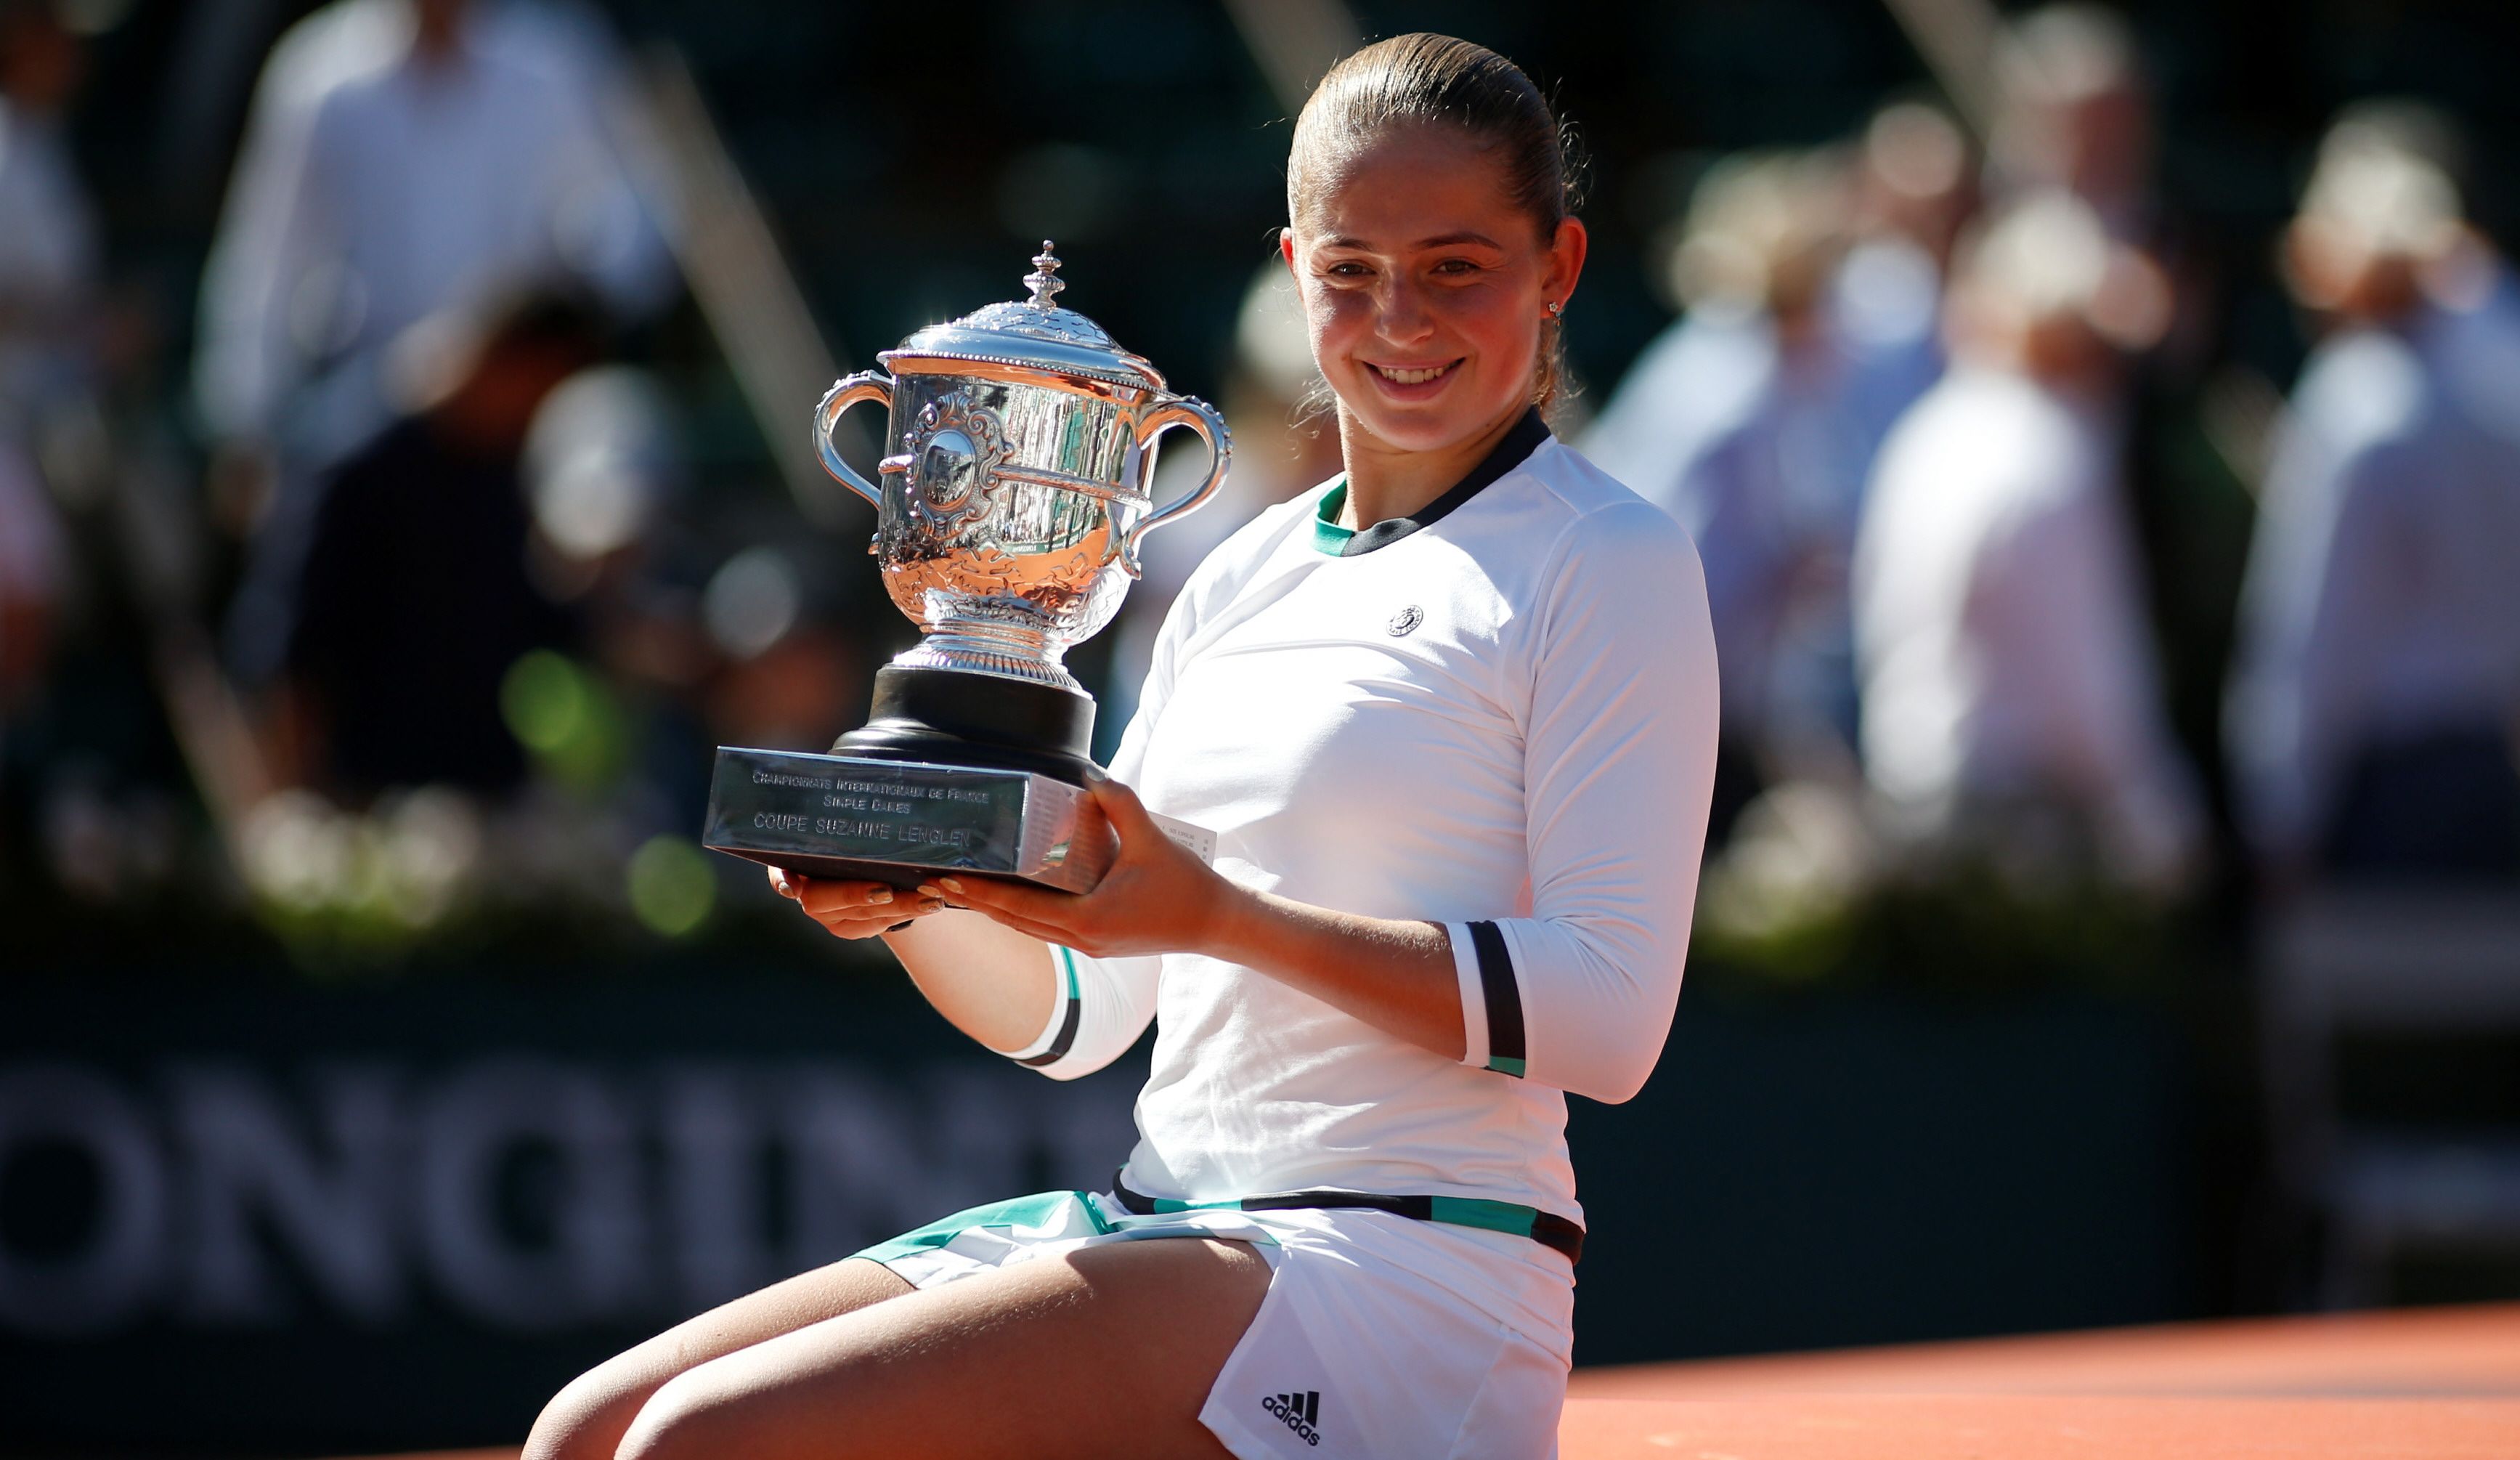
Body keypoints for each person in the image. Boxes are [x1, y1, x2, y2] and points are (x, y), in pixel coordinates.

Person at [527, 33, 1717, 1460]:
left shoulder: (1609, 556)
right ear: (1296, 267)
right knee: (586, 1433)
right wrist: (904, 895)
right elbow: (1082, 1010)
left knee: (700, 1444)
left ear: (1559, 267)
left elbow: (1608, 1018)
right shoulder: (1236, 573)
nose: (1398, 317)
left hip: (1407, 1266)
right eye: (1351, 270)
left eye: (1455, 266)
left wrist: (1223, 917)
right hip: (1169, 1220)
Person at [1853, 191, 2201, 893]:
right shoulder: (2048, 456)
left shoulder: (1928, 432)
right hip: (2022, 836)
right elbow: (2091, 702)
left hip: (1915, 805)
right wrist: (2165, 829)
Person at [2225, 110, 2520, 882]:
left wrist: (2279, 804)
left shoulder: (2354, 404)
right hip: (2490, 772)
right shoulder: (2498, 373)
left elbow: (2313, 627)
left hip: (2386, 789)